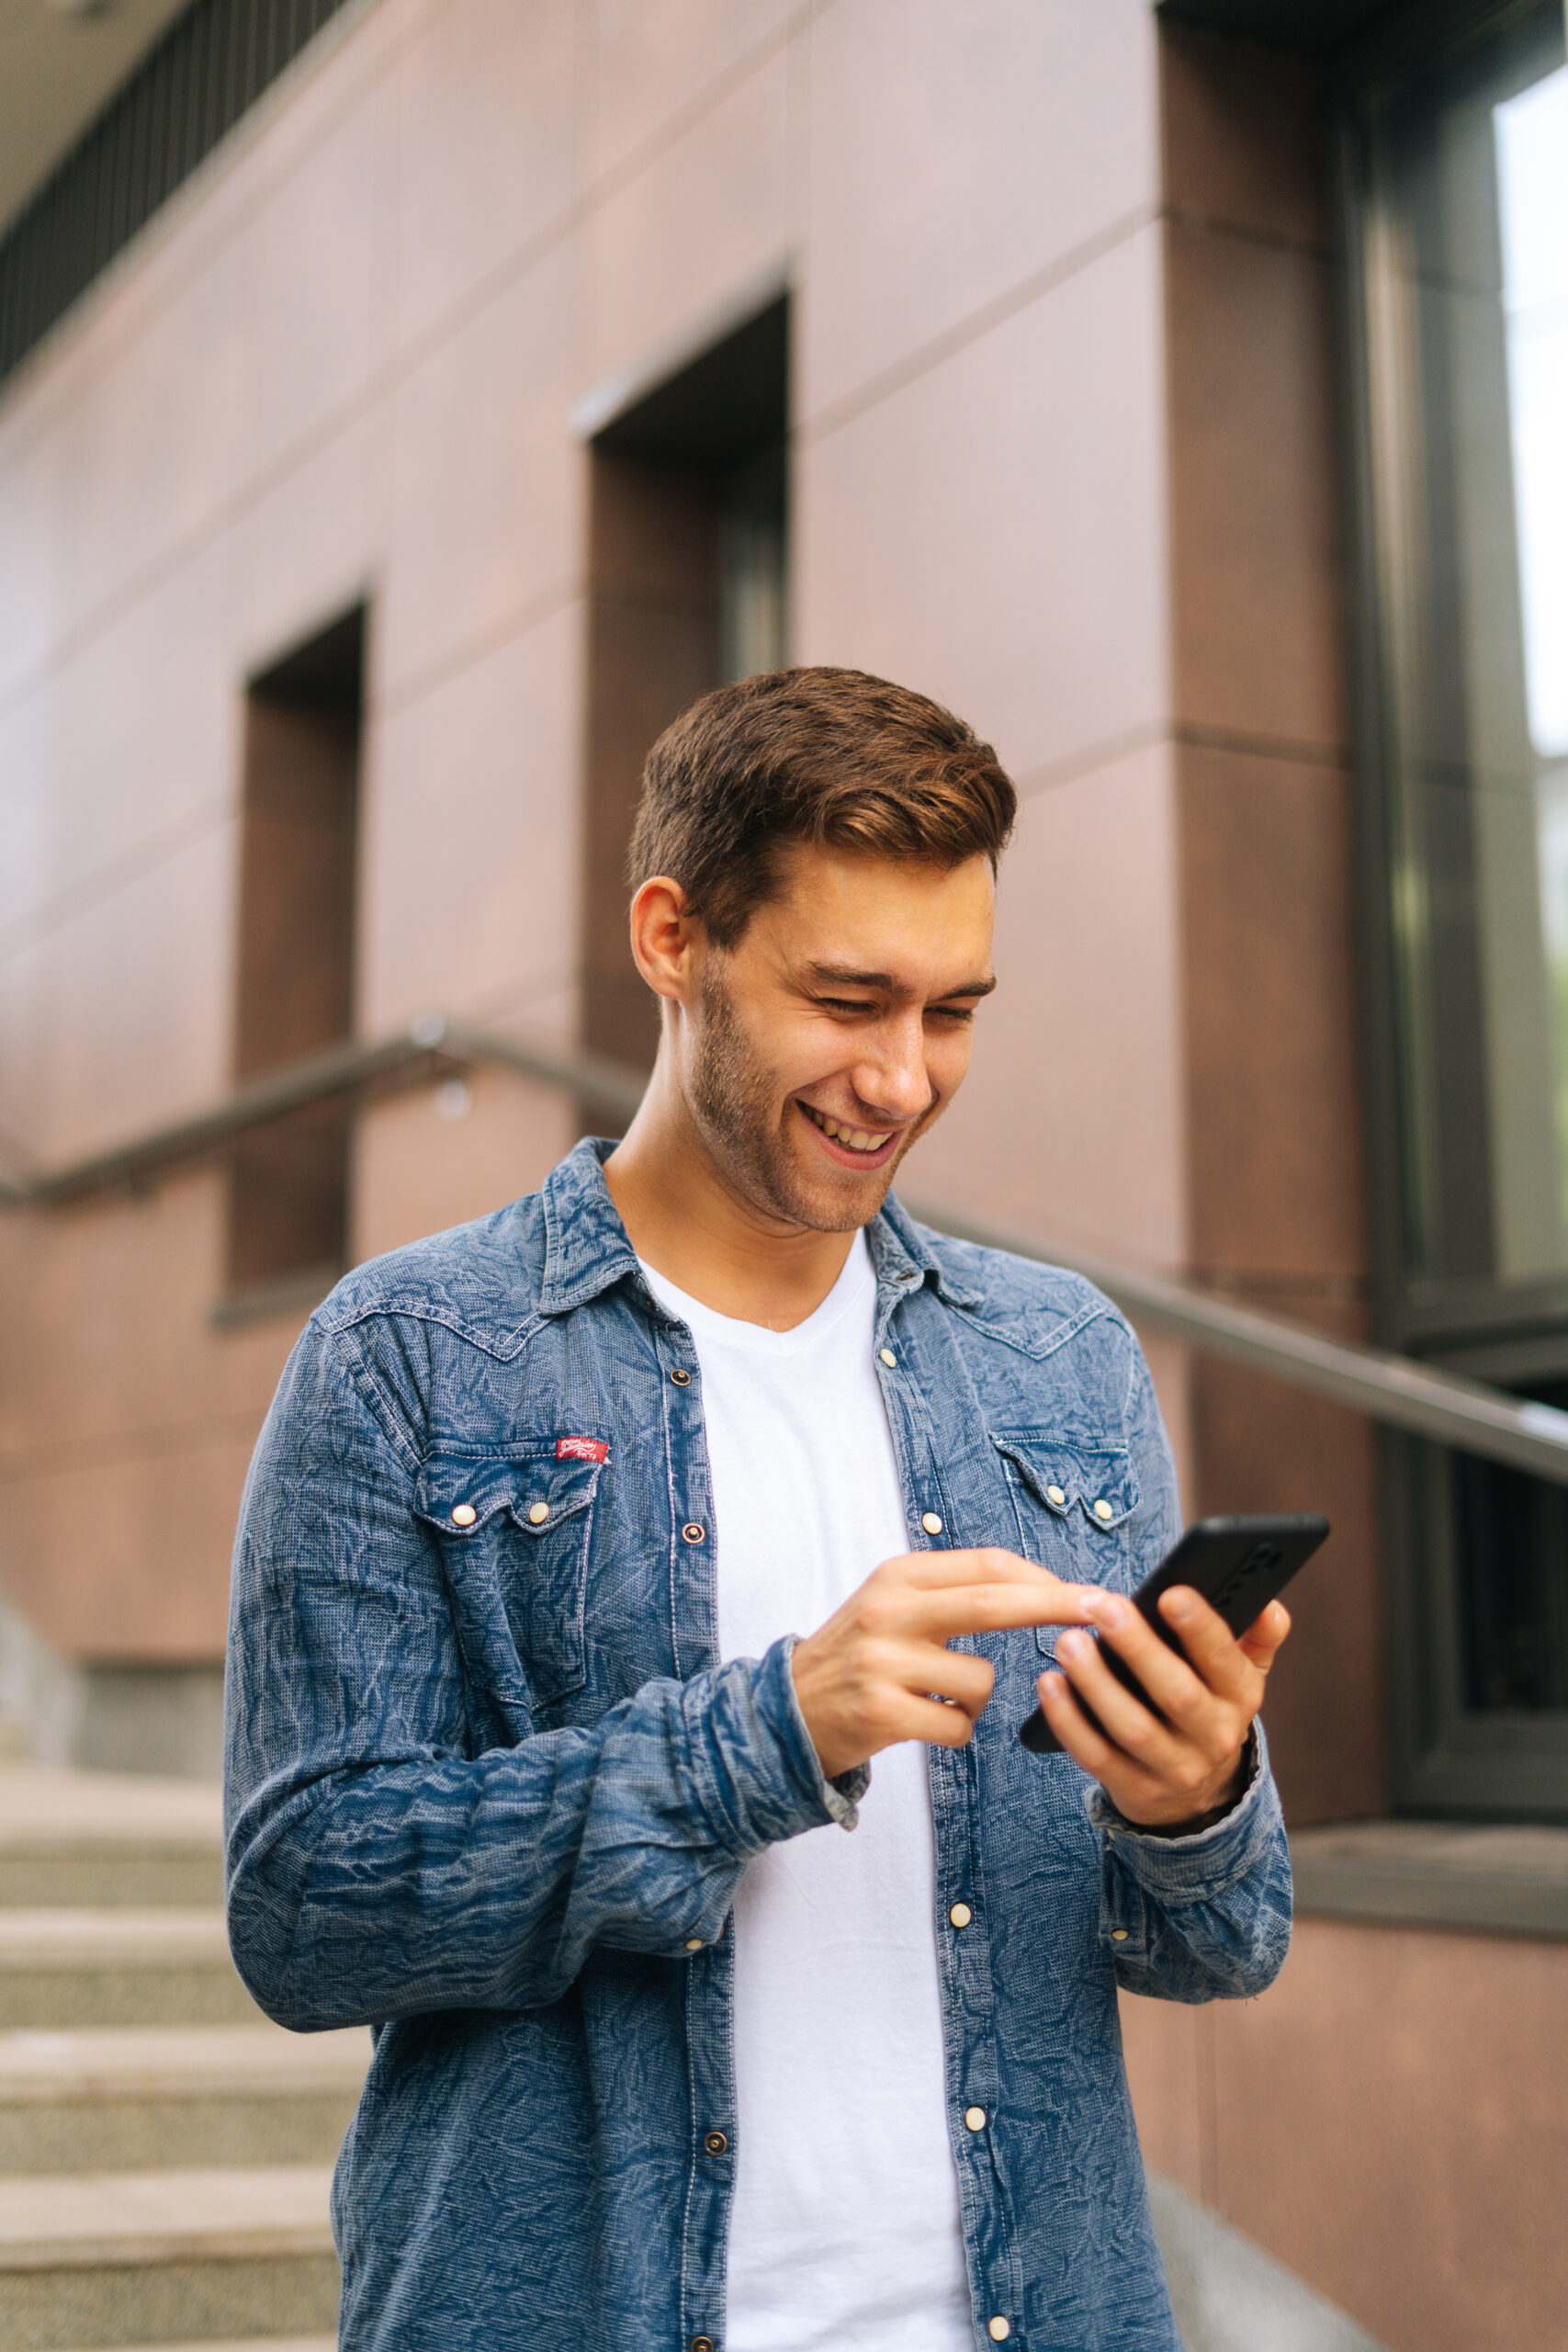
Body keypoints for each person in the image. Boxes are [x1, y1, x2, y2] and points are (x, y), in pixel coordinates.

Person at [225, 667, 1292, 2352]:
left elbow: (1225, 1944)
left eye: (951, 1012)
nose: (903, 1079)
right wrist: (754, 1744)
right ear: (674, 938)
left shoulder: (1060, 1360)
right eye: (850, 998)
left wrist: (1190, 1804)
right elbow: (302, 1914)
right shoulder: (413, 1357)